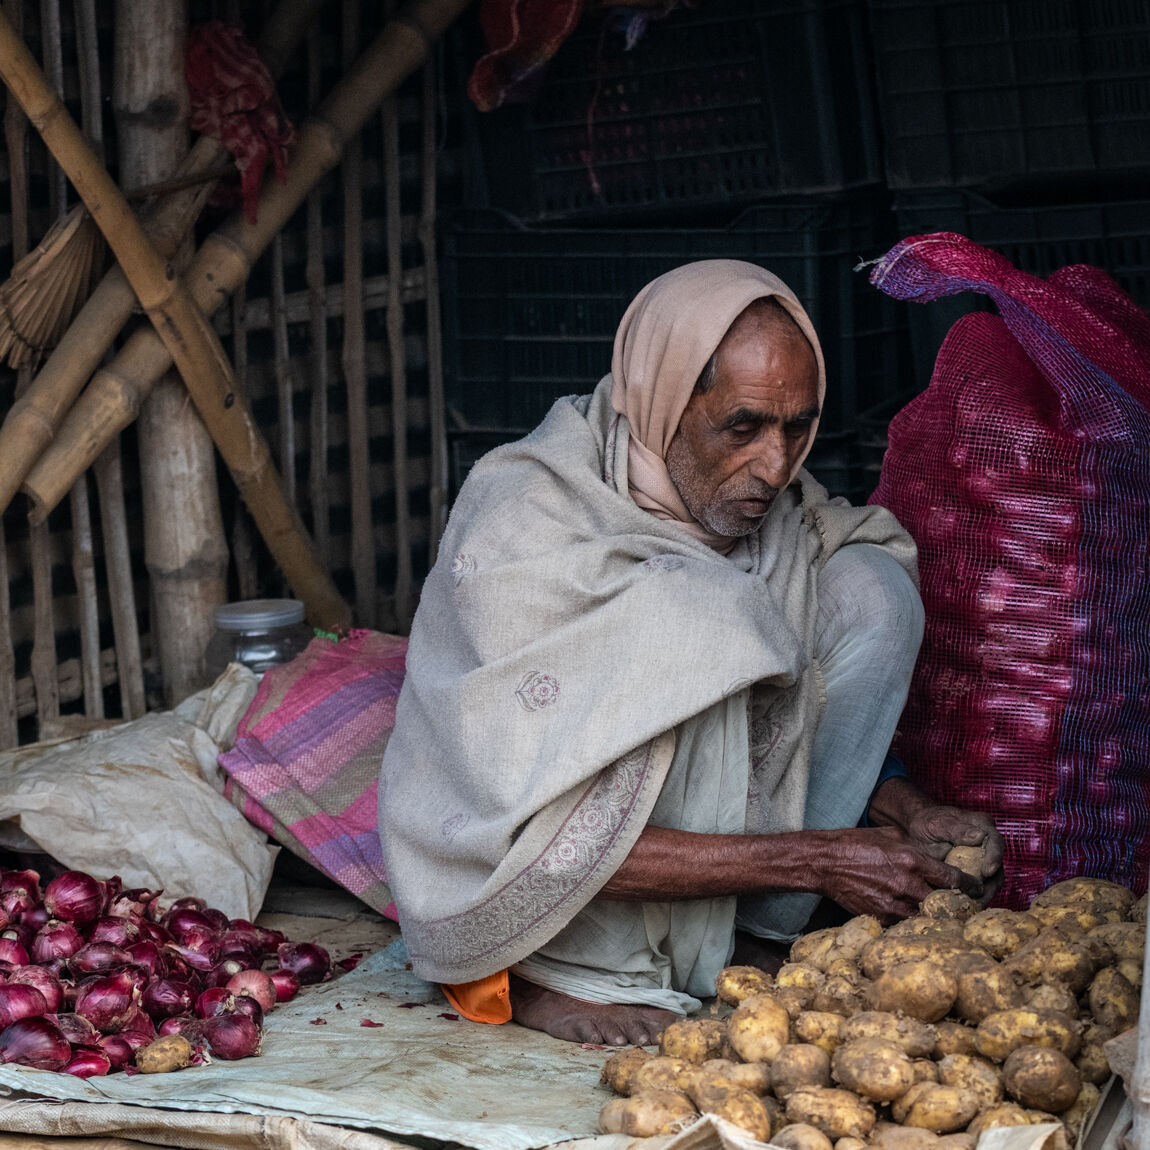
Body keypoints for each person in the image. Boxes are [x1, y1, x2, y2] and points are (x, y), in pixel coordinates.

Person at [379, 260, 1004, 1046]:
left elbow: (789, 711)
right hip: (546, 892)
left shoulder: (773, 514)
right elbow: (535, 835)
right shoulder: (527, 521)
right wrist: (817, 861)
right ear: (665, 402)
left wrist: (903, 807)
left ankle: (750, 935)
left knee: (867, 585)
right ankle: (552, 977)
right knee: (697, 622)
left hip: (738, 853)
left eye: (797, 427)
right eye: (742, 426)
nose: (776, 467)